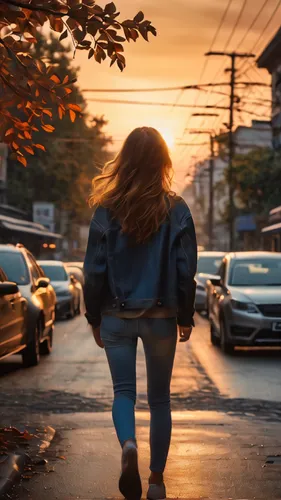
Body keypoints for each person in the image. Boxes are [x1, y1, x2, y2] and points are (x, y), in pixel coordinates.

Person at [84, 127, 197, 500]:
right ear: (163, 161)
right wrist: (185, 315)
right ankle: (156, 482)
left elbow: (94, 270)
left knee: (123, 393)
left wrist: (93, 317)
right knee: (160, 399)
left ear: (125, 160)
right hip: (161, 316)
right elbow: (185, 269)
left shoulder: (106, 210)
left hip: (116, 315)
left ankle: (129, 445)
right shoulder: (177, 208)